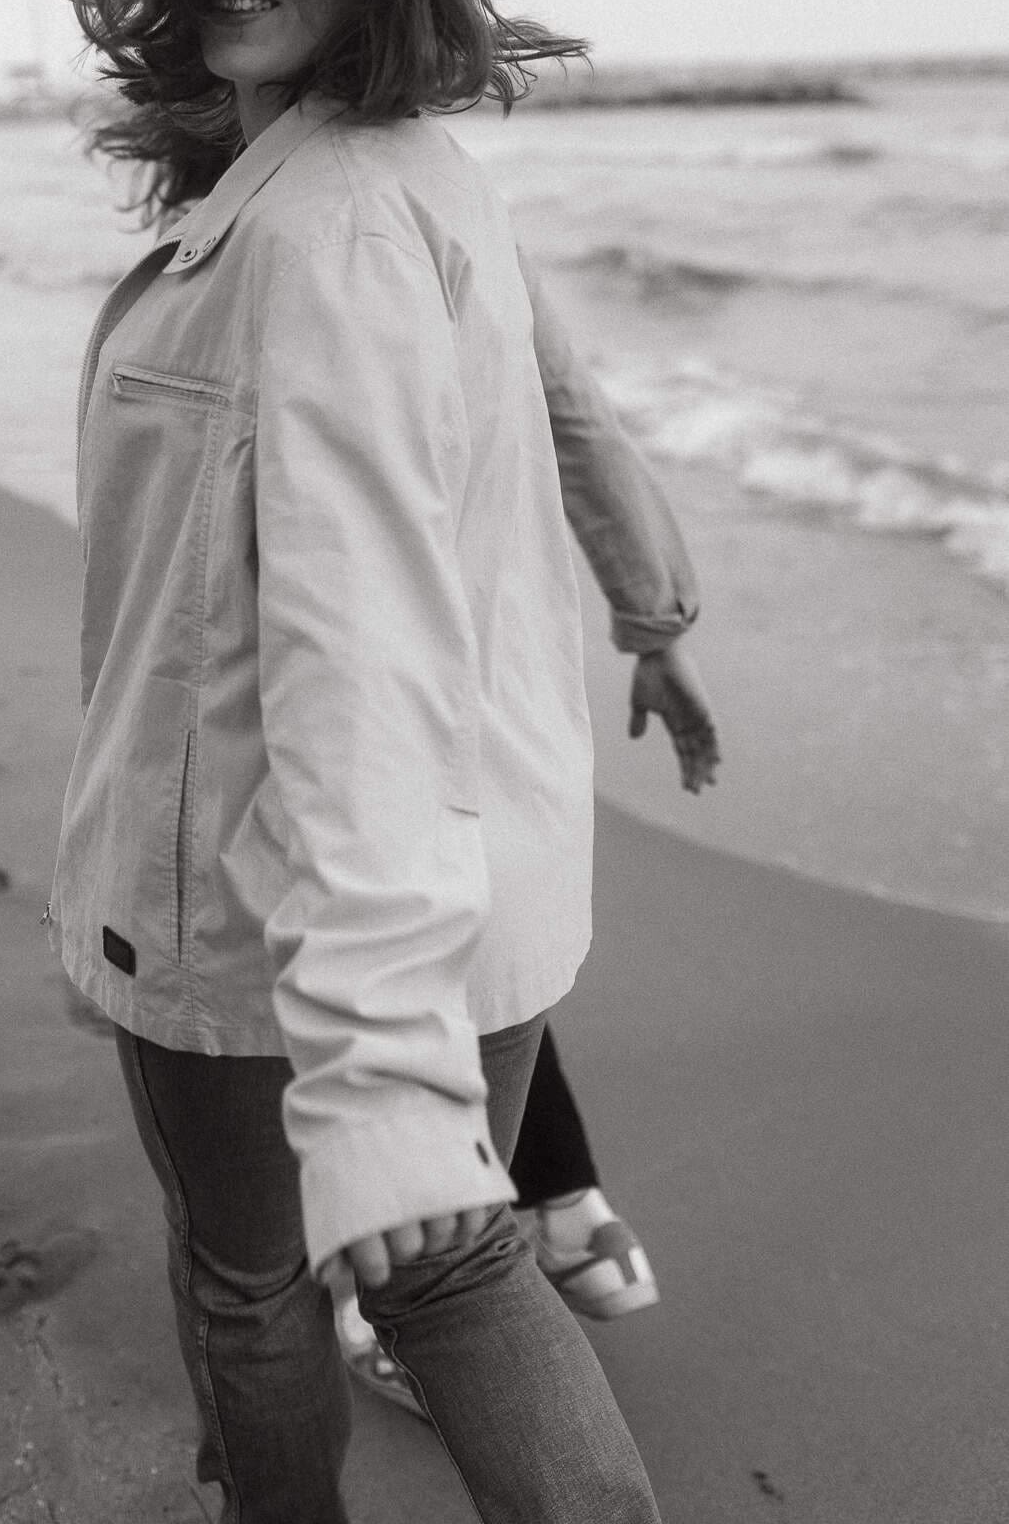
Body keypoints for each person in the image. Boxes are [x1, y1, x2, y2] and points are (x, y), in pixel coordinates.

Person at [49, 0, 663, 1522]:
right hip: (472, 887)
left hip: (272, 913)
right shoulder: (409, 178)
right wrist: (658, 602)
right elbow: (556, 402)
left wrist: (380, 1077)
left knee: (268, 1277)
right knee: (463, 1261)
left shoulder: (316, 237)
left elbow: (356, 643)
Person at [334, 283, 721, 1408]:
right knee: (478, 948)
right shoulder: (475, 211)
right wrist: (654, 625)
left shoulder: (274, 208)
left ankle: (402, 1292)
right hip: (493, 668)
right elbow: (579, 416)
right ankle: (565, 1204)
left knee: (363, 970)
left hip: (349, 673)